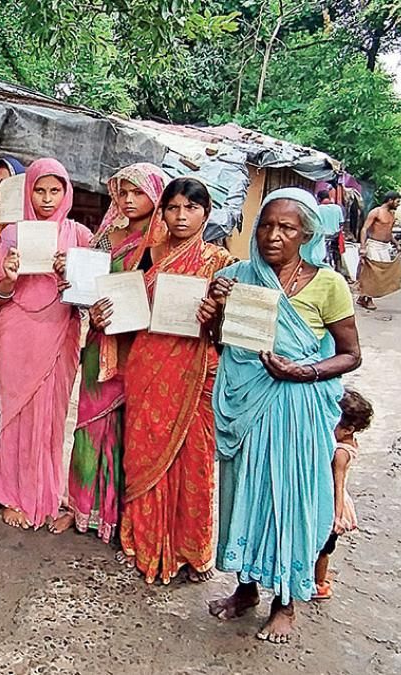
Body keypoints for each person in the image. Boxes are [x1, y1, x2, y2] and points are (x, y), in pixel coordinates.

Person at [201, 188, 361, 643]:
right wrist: (214, 312)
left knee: (289, 498)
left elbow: (351, 355)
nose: (274, 236)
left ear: (306, 234)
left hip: (298, 409)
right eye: (266, 226)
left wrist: (304, 371)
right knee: (248, 495)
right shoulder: (236, 276)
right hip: (248, 405)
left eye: (287, 228)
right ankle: (246, 588)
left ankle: (286, 601)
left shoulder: (328, 284)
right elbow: (221, 344)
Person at [114, 177, 236, 584]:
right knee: (145, 451)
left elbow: (233, 332)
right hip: (148, 367)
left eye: (192, 208)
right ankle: (144, 540)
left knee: (195, 461)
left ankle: (189, 548)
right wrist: (102, 313)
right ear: (163, 212)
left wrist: (215, 315)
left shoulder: (220, 264)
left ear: (207, 212)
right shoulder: (146, 256)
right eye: (173, 208)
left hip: (197, 371)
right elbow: (126, 312)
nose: (181, 216)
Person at [59, 162, 167, 542]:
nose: (128, 199)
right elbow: (86, 287)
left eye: (137, 192)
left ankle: (121, 514)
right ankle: (82, 508)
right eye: (122, 192)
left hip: (141, 347)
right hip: (101, 342)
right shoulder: (107, 236)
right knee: (90, 424)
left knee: (129, 430)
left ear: (156, 196)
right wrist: (69, 271)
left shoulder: (164, 243)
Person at [0, 158, 93, 529]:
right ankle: (11, 495)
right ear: (28, 190)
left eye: (55, 190)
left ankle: (48, 494)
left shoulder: (79, 235)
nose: (47, 199)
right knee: (16, 416)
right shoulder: (11, 235)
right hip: (18, 332)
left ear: (66, 193)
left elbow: (94, 293)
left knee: (51, 417)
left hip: (60, 330)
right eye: (39, 190)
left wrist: (73, 273)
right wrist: (10, 279)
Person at [314, 387, 373, 600]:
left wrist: (336, 517)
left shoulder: (339, 452)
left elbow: (337, 485)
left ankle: (319, 584)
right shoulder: (348, 443)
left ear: (347, 429)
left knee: (322, 548)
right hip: (331, 500)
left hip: (332, 503)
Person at [356, 192, 401, 310]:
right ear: (390, 200)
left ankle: (362, 297)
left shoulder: (391, 214)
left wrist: (396, 244)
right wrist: (363, 247)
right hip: (374, 245)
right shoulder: (376, 212)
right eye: (397, 201)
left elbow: (389, 232)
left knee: (382, 273)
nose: (398, 204)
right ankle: (369, 299)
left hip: (385, 247)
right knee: (373, 273)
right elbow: (364, 229)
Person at [316, 190, 349, 280]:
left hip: (322, 238)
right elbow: (341, 224)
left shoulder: (317, 209)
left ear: (319, 199)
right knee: (336, 257)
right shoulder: (337, 208)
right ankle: (338, 274)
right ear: (329, 197)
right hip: (335, 237)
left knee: (322, 258)